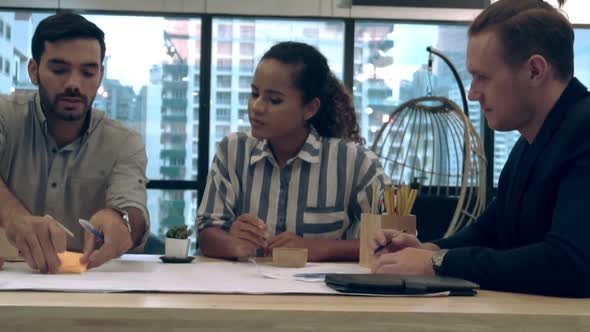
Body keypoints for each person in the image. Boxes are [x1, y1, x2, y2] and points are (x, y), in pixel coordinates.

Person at [370, 0, 590, 297]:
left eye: (482, 77)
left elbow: (569, 264)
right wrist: (428, 249)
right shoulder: (531, 142)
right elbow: (491, 230)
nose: (473, 94)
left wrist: (437, 262)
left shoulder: (583, 131)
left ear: (535, 71)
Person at [197, 41, 386, 261]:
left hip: (324, 293)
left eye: (274, 100)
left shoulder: (355, 162)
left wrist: (317, 248)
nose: (256, 107)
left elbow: (392, 241)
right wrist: (231, 242)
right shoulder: (233, 151)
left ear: (310, 108)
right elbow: (207, 232)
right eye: (254, 93)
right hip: (247, 289)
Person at [0, 13, 150, 274]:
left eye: (88, 72)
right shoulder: (6, 116)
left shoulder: (124, 142)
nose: (74, 84)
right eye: (59, 70)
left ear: (101, 75)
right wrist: (15, 217)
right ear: (33, 70)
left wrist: (120, 221)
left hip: (87, 291)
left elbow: (133, 208)